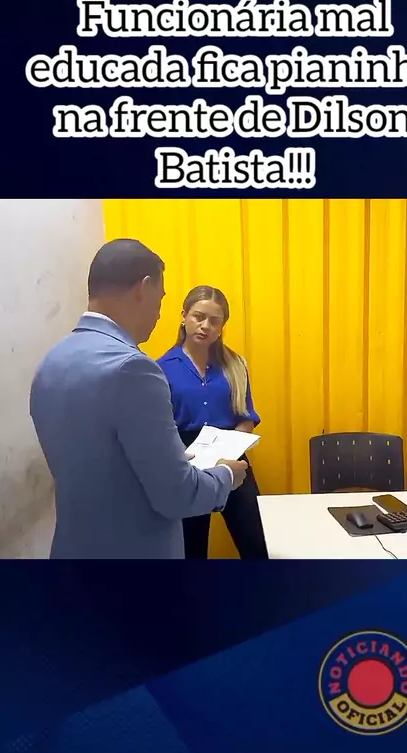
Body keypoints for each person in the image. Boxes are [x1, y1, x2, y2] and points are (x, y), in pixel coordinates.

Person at [30, 240, 247, 559]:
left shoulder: (51, 362)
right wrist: (227, 475)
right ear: (144, 288)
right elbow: (178, 495)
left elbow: (104, 459)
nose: (159, 314)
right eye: (161, 299)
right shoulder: (135, 369)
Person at [158, 286, 268, 559]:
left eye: (214, 321)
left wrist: (230, 449)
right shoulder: (161, 368)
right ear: (184, 317)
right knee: (191, 547)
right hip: (187, 461)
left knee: (257, 541)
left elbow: (246, 416)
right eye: (198, 316)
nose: (205, 326)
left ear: (221, 327)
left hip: (232, 456)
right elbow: (160, 426)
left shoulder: (235, 365)